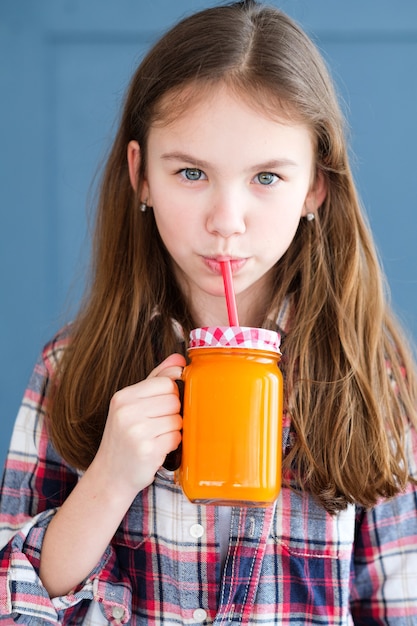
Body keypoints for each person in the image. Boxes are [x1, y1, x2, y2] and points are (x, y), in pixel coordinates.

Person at [1, 0, 417, 623]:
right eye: (191, 172)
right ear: (141, 175)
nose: (226, 221)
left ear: (315, 187)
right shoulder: (71, 367)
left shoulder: (366, 371)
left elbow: (399, 602)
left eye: (267, 177)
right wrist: (110, 480)